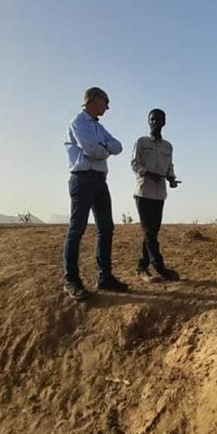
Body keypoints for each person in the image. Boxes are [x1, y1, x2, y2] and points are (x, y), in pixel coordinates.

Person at [62, 87, 128, 300]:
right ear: (93, 100)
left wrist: (104, 147)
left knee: (106, 228)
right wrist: (105, 148)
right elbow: (94, 151)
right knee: (77, 229)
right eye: (106, 101)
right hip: (82, 180)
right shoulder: (78, 123)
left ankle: (105, 277)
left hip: (100, 181)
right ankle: (71, 280)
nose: (108, 107)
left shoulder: (99, 127)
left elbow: (118, 146)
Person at [130, 109, 181, 282]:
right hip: (144, 192)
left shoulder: (168, 146)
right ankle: (159, 266)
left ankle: (142, 267)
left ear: (164, 122)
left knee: (152, 232)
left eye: (159, 120)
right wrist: (146, 173)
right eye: (152, 119)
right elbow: (134, 163)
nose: (155, 123)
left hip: (159, 194)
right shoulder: (141, 142)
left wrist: (172, 179)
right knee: (149, 232)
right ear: (148, 121)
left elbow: (169, 167)